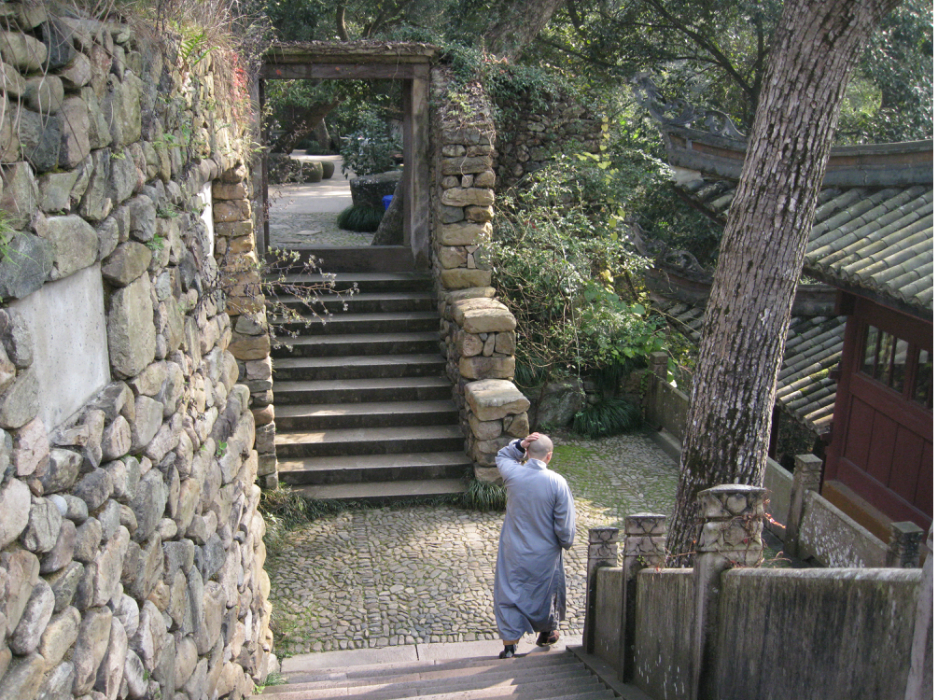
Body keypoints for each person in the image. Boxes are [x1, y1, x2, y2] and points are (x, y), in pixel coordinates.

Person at [493, 432, 576, 659]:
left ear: (527, 453)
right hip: (545, 552)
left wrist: (519, 444)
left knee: (509, 592)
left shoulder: (513, 474)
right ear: (549, 456)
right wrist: (565, 541)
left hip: (513, 549)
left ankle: (509, 645)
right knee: (546, 592)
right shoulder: (557, 482)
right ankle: (548, 631)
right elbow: (565, 527)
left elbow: (503, 455)